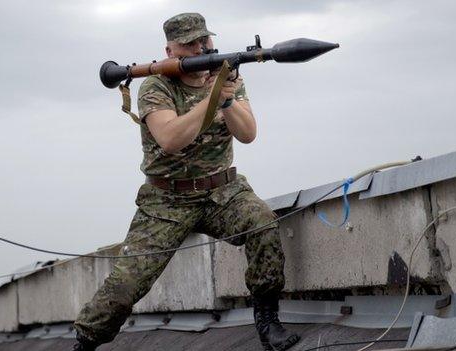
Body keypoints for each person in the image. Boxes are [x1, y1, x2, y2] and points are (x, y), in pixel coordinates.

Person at [72, 13, 300, 351]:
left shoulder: (228, 79)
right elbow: (170, 138)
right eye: (189, 43)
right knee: (126, 285)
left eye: (203, 41)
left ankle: (267, 318)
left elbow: (248, 133)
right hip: (167, 201)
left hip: (223, 191)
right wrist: (210, 101)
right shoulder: (156, 86)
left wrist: (225, 99)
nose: (199, 48)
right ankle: (86, 340)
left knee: (263, 224)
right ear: (169, 50)